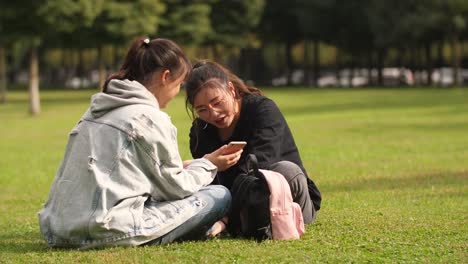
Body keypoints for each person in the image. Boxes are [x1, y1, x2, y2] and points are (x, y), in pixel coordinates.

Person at [38, 38, 243, 249]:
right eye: (178, 84)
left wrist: (183, 166)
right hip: (105, 230)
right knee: (218, 195)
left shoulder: (94, 112)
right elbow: (176, 189)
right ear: (165, 77)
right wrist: (209, 164)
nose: (176, 93)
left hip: (58, 231)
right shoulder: (149, 118)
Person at [184, 60, 322, 226]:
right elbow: (207, 182)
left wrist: (229, 216)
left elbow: (261, 167)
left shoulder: (263, 110)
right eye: (202, 110)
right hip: (233, 202)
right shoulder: (201, 131)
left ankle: (238, 222)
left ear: (231, 89)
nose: (213, 114)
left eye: (217, 102)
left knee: (285, 171)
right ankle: (244, 222)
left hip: (279, 194)